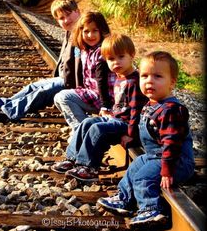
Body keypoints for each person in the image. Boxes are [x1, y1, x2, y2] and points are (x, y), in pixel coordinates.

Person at [97, 51, 195, 229]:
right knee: (135, 167)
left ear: (172, 82)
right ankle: (124, 199)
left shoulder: (171, 110)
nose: (149, 81)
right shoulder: (152, 104)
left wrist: (167, 171)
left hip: (176, 161)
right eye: (144, 76)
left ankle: (152, 209)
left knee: (143, 177)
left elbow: (171, 143)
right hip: (157, 156)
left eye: (157, 76)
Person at [51, 33, 148, 181]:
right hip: (117, 120)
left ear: (132, 55)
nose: (116, 62)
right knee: (87, 123)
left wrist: (130, 133)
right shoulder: (120, 78)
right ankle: (72, 159)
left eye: (121, 57)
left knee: (97, 129)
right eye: (111, 59)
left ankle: (89, 168)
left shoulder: (135, 81)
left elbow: (137, 111)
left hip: (128, 125)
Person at [0, 0, 83, 124]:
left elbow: (80, 64)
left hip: (75, 82)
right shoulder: (69, 31)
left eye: (68, 15)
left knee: (42, 92)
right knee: (33, 86)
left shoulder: (83, 34)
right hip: (65, 78)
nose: (66, 20)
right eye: (61, 18)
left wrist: (71, 84)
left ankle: (7, 113)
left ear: (78, 12)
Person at [53, 11, 115, 134]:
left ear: (102, 31)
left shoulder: (102, 51)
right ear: (80, 32)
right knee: (60, 97)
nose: (90, 35)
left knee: (63, 97)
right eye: (86, 31)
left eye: (95, 31)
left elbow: (101, 80)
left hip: (107, 98)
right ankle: (85, 129)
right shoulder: (86, 50)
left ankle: (83, 133)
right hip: (94, 94)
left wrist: (105, 106)